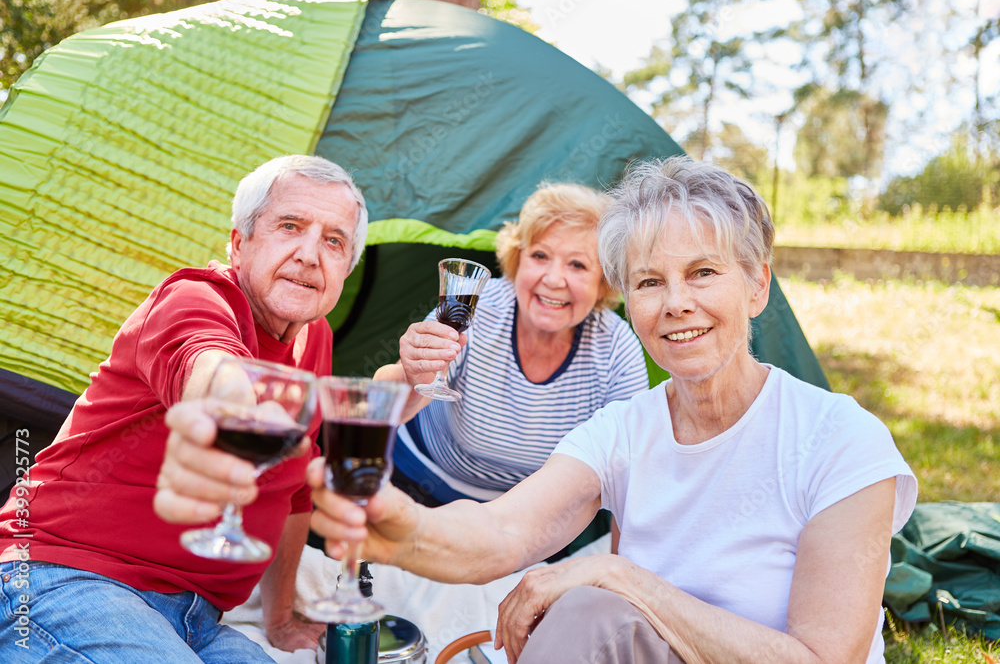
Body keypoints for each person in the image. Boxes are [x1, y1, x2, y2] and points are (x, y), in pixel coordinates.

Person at [302, 157, 918, 663]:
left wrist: (619, 578)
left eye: (702, 273)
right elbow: (503, 531)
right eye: (649, 282)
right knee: (586, 610)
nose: (676, 303)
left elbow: (822, 658)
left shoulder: (840, 439)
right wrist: (400, 524)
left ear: (757, 286)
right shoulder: (625, 431)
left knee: (591, 603)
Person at [0, 155, 367, 662]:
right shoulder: (195, 298)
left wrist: (279, 620)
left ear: (347, 267)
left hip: (196, 618)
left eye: (334, 240)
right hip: (63, 576)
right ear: (240, 243)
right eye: (290, 226)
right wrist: (234, 409)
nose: (310, 255)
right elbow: (208, 366)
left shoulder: (315, 338)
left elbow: (295, 493)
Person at [377, 183, 648, 510]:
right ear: (518, 259)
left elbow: (624, 469)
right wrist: (411, 374)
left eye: (577, 265)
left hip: (529, 517)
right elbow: (382, 408)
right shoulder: (473, 307)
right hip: (415, 484)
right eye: (540, 255)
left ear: (604, 281)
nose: (553, 279)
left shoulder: (617, 348)